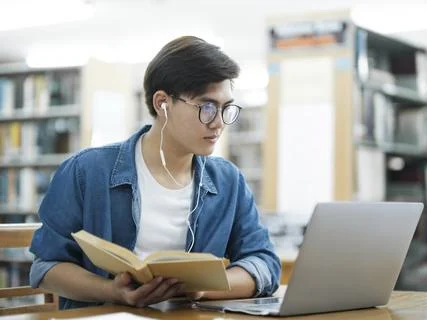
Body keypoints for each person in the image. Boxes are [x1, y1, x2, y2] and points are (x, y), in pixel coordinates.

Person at [29, 36, 281, 310]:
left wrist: (202, 288)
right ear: (162, 103)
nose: (219, 123)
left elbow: (264, 263)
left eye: (225, 108)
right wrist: (114, 292)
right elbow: (46, 268)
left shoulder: (229, 181)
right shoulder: (86, 171)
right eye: (207, 107)